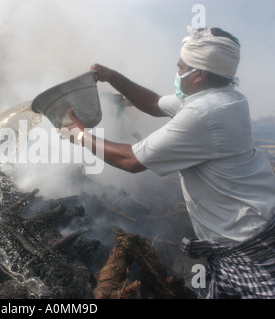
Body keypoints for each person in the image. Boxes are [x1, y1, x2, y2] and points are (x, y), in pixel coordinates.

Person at [63, 27, 275, 298]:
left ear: (199, 74)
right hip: (248, 234)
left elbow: (132, 160)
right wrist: (112, 77)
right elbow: (153, 103)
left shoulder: (203, 113)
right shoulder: (226, 98)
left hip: (247, 250)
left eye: (181, 67)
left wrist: (81, 136)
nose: (177, 73)